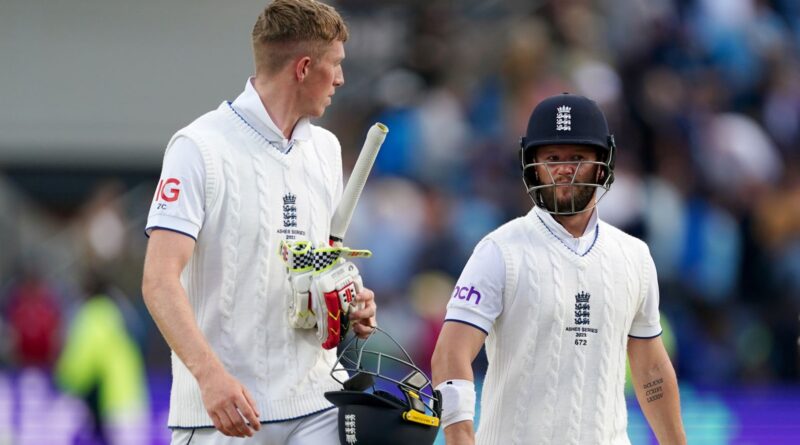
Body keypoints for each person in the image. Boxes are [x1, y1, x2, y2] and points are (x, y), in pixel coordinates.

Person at [141, 1, 377, 444]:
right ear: (304, 68)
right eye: (337, 65)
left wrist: (350, 301)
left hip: (318, 404)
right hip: (223, 415)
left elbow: (319, 263)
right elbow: (158, 281)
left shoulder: (325, 149)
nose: (342, 79)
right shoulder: (198, 148)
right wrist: (210, 377)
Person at [431, 93, 686, 445]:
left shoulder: (634, 256)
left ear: (602, 164)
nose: (564, 169)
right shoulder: (498, 251)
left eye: (578, 157)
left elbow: (652, 370)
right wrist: (460, 438)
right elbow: (450, 353)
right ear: (532, 165)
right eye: (551, 158)